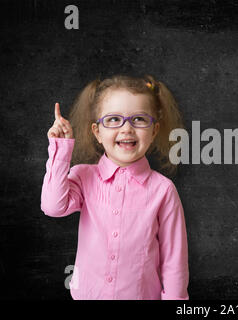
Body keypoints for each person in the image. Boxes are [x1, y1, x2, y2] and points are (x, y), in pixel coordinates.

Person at [41, 75, 189, 300]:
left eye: (139, 119)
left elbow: (174, 260)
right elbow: (53, 206)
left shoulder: (163, 190)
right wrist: (61, 148)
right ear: (97, 132)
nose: (126, 129)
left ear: (154, 131)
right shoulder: (83, 176)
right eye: (113, 120)